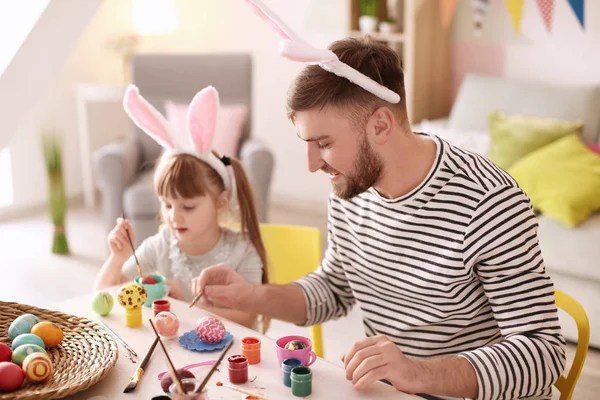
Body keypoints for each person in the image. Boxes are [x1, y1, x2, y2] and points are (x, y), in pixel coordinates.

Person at [194, 35, 566, 400]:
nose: (312, 165)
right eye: (306, 144)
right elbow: (334, 288)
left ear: (381, 125)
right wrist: (251, 294)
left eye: (323, 144)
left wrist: (415, 372)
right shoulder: (351, 189)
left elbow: (542, 354)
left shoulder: (489, 203)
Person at [93, 84, 268, 330]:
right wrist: (117, 258)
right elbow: (105, 297)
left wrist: (186, 305)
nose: (174, 217)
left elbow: (248, 318)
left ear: (221, 202)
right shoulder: (160, 245)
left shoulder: (242, 251)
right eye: (166, 204)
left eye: (188, 206)